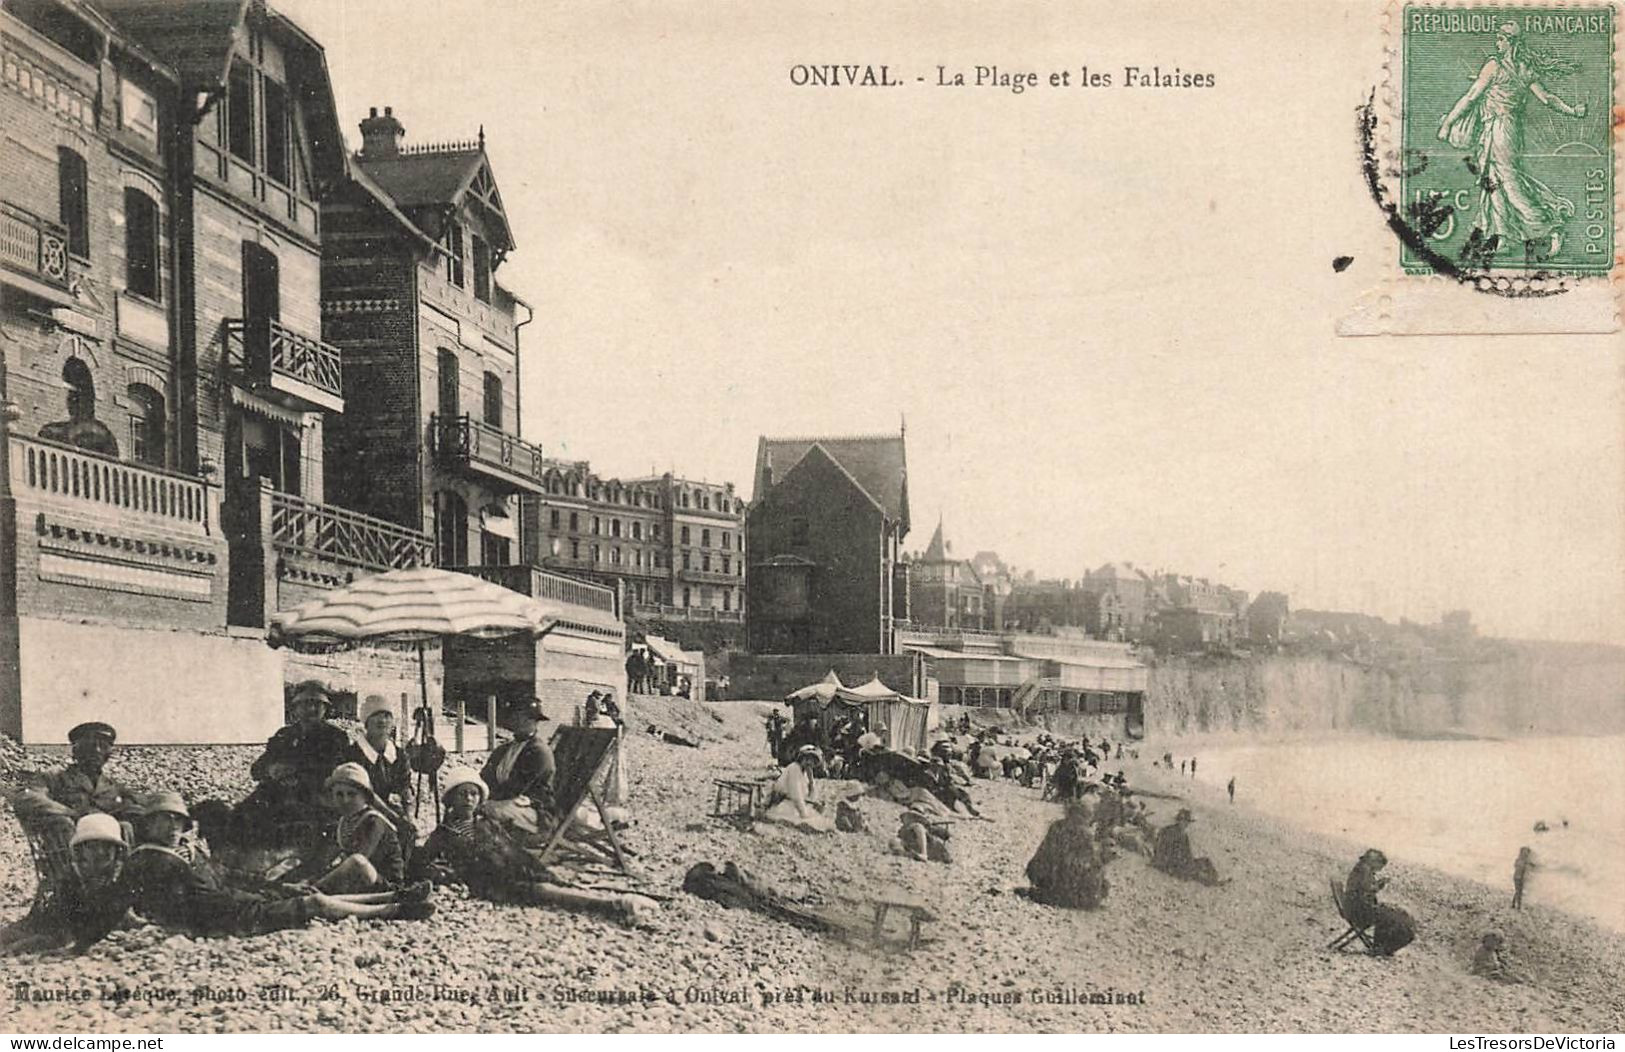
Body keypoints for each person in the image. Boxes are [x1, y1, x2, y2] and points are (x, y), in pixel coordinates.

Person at [124, 791, 431, 936]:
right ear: (148, 826)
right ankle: (393, 910)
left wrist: (279, 885)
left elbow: (231, 875)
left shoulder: (188, 851)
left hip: (235, 901)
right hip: (227, 918)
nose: (172, 828)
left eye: (177, 821)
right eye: (163, 821)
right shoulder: (150, 860)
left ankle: (392, 895)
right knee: (314, 902)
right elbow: (123, 899)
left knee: (301, 892)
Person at [410, 768, 655, 925]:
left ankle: (620, 902)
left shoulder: (487, 823)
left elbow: (513, 849)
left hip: (511, 868)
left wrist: (538, 868)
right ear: (450, 800)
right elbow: (423, 862)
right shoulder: (443, 834)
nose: (468, 799)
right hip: (491, 883)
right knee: (544, 892)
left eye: (473, 794)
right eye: (462, 794)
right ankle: (613, 905)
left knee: (549, 881)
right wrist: (447, 876)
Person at [1435, 20, 1589, 258]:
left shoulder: (1494, 66)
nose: (1497, 42)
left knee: (1508, 181)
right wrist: (1572, 110)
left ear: (1510, 42)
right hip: (1508, 129)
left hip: (1499, 129)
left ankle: (1549, 227)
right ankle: (1503, 237)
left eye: (1500, 38)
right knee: (1493, 179)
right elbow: (1547, 98)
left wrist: (1447, 123)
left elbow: (1471, 96)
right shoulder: (1525, 68)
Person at [1, 813, 132, 955]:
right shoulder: (71, 878)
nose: (100, 852)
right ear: (81, 850)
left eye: (107, 847)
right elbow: (59, 921)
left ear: (117, 850)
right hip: (53, 922)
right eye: (93, 847)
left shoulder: (120, 877)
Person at [11, 722, 140, 839]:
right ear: (75, 751)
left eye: (103, 746)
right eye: (89, 746)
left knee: (127, 826)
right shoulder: (54, 778)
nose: (97, 751)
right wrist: (70, 813)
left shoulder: (114, 787)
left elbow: (142, 803)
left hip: (108, 849)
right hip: (69, 849)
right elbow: (26, 797)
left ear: (109, 754)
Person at [301, 763, 406, 892]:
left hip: (382, 884)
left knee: (357, 861)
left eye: (352, 794)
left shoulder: (374, 821)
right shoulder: (343, 822)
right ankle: (310, 886)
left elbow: (359, 859)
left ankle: (313, 889)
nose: (345, 800)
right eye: (339, 794)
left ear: (365, 796)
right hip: (356, 883)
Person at [248, 681, 351, 812]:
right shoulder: (285, 735)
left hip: (315, 801)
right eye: (306, 704)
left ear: (326, 708)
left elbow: (338, 772)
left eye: (317, 704)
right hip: (278, 796)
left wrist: (297, 775)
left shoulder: (335, 737)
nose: (312, 709)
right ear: (295, 708)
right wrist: (271, 770)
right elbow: (257, 768)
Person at [480, 698, 557, 840]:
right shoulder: (503, 749)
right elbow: (485, 777)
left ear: (535, 723)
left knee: (486, 811)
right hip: (505, 802)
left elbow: (517, 788)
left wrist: (487, 802)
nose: (518, 721)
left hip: (535, 811)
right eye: (516, 716)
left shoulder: (538, 752)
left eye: (527, 718)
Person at [344, 696, 415, 832]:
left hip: (395, 814)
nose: (382, 720)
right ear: (366, 722)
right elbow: (366, 793)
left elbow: (405, 787)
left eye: (387, 716)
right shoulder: (354, 754)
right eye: (376, 715)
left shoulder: (399, 755)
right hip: (364, 814)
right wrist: (396, 820)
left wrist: (409, 817)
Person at [1024, 802, 1109, 909]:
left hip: (1043, 875)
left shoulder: (1056, 826)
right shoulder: (1085, 834)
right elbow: (1090, 862)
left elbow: (1044, 852)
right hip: (1063, 877)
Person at [1344, 848, 1416, 956]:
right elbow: (1367, 889)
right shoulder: (1364, 869)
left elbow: (1364, 889)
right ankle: (1381, 947)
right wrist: (1379, 885)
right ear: (1374, 861)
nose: (1379, 870)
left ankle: (1381, 946)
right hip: (1360, 911)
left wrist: (1377, 886)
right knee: (1393, 917)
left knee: (1392, 914)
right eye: (1380, 866)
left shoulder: (1362, 868)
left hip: (1357, 907)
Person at [1152, 809, 1223, 887]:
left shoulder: (1167, 830)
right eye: (1186, 822)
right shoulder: (1180, 835)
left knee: (1203, 863)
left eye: (1187, 822)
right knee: (1202, 865)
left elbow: (1159, 847)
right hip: (1174, 865)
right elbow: (1181, 854)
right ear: (1180, 821)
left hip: (1166, 863)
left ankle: (1212, 880)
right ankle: (1213, 881)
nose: (1186, 824)